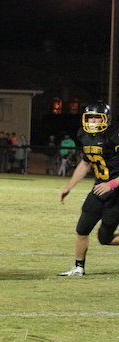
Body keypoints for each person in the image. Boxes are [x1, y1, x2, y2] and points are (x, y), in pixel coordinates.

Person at [59, 102, 119, 276]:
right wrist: (69, 187)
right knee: (82, 229)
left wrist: (111, 184)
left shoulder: (115, 136)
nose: (92, 121)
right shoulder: (84, 135)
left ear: (106, 119)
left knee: (105, 238)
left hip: (116, 192)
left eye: (97, 117)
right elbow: (85, 163)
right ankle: (79, 268)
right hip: (99, 189)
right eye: (90, 117)